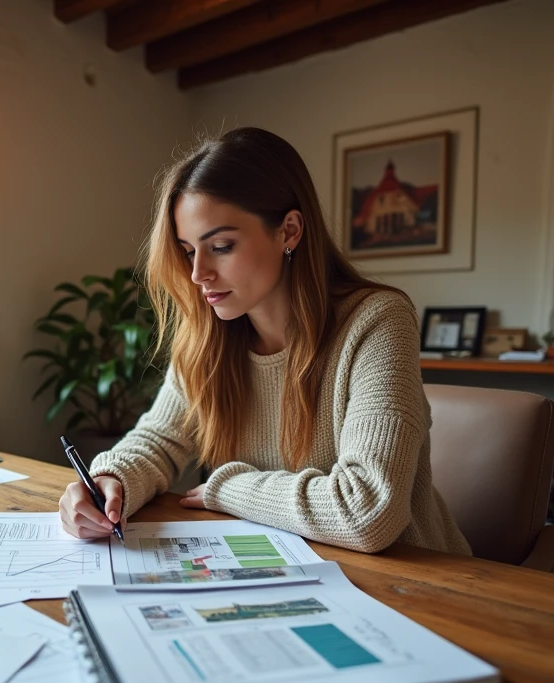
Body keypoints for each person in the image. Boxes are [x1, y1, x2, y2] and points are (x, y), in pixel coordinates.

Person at [58, 128, 471, 556]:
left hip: (413, 578)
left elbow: (366, 511)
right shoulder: (209, 336)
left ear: (289, 231)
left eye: (220, 246)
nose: (198, 273)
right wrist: (110, 482)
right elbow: (159, 441)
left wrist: (230, 488)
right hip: (284, 568)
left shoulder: (376, 322)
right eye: (187, 251)